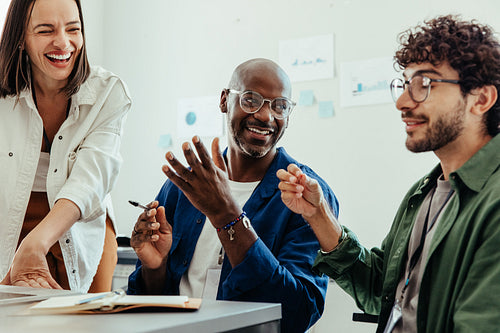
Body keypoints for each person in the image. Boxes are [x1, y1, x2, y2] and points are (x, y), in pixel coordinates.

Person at [277, 15, 500, 333]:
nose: (402, 102)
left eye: (425, 84)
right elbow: (382, 293)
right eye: (405, 84)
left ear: (481, 99)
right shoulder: (424, 192)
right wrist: (319, 216)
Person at [128, 58, 339, 333]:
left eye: (280, 106)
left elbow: (298, 312)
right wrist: (154, 268)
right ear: (225, 100)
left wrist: (228, 216)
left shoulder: (305, 195)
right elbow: (148, 305)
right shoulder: (188, 184)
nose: (266, 116)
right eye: (251, 100)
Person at [0, 0, 131, 293]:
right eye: (46, 30)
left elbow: (91, 179)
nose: (63, 42)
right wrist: (26, 244)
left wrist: (36, 241)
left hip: (82, 229)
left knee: (83, 322)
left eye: (74, 29)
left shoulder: (108, 93)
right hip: (10, 222)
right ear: (20, 37)